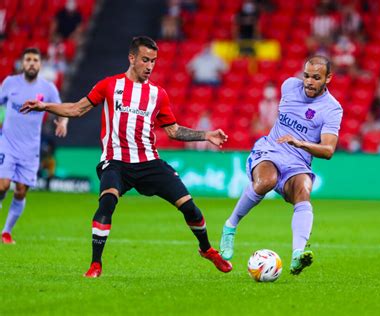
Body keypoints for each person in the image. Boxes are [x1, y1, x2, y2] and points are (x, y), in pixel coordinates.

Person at [20, 36, 232, 277]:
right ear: (132, 58)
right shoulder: (110, 86)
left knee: (190, 208)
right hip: (116, 161)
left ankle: (206, 249)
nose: (150, 66)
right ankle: (95, 264)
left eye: (153, 61)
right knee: (107, 202)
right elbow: (76, 109)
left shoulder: (158, 94)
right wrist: (44, 106)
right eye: (145, 60)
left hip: (149, 162)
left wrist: (206, 135)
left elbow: (173, 131)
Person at [219, 56, 343, 275]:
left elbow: (328, 150)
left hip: (298, 161)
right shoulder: (289, 86)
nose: (309, 82)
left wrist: (300, 143)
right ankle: (230, 226)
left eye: (316, 78)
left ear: (328, 78)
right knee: (266, 181)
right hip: (271, 149)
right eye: (306, 76)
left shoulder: (332, 109)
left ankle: (298, 255)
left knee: (304, 191)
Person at [0, 48, 69, 244]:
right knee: (2, 185)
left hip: (30, 149)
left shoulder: (47, 88)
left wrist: (63, 122)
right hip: (7, 144)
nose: (31, 63)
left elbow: (61, 109)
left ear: (40, 64)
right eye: (28, 59)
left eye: (35, 60)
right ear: (23, 63)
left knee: (21, 190)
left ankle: (6, 231)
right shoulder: (10, 83)